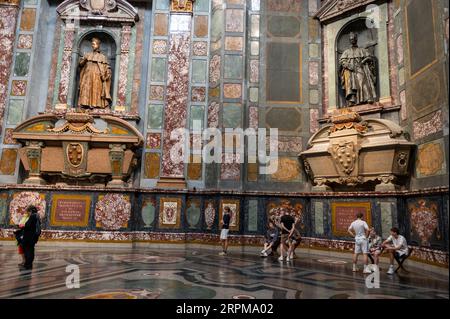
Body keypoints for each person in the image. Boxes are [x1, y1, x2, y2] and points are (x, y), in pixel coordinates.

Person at [339, 32, 377, 106]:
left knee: (362, 82)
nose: (352, 40)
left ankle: (367, 98)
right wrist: (348, 65)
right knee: (350, 84)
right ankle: (352, 100)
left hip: (360, 68)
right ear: (350, 40)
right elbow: (342, 61)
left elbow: (370, 57)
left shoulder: (362, 50)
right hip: (350, 70)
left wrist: (363, 61)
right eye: (351, 39)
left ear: (356, 39)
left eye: (354, 39)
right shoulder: (346, 52)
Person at [78, 37, 112, 109]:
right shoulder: (87, 55)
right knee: (86, 88)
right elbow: (80, 64)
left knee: (96, 89)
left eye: (94, 44)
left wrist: (106, 74)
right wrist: (84, 60)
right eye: (92, 44)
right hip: (87, 75)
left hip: (97, 76)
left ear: (98, 45)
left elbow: (107, 67)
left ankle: (96, 105)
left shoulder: (102, 57)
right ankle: (85, 104)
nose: (92, 45)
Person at [21, 205, 41, 270]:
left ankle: (28, 265)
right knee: (31, 250)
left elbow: (28, 225)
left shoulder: (32, 216)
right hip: (34, 237)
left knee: (27, 251)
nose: (28, 213)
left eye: (28, 212)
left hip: (29, 237)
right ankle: (29, 264)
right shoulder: (37, 216)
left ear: (31, 211)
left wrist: (23, 226)